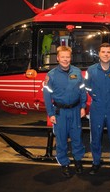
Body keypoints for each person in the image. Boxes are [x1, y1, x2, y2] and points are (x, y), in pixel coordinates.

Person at [43, 46, 87, 178]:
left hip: (75, 110)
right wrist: (51, 114)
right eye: (62, 57)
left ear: (70, 57)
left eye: (67, 57)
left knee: (77, 137)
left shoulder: (77, 72)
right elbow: (47, 96)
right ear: (57, 58)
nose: (65, 60)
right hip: (60, 112)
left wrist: (83, 107)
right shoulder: (50, 75)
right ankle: (64, 163)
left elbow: (82, 91)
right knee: (61, 139)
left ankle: (78, 161)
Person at [84, 43, 110, 176]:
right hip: (97, 108)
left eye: (109, 52)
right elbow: (88, 87)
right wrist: (96, 96)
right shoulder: (91, 70)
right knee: (95, 137)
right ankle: (96, 162)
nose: (106, 54)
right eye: (103, 52)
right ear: (99, 53)